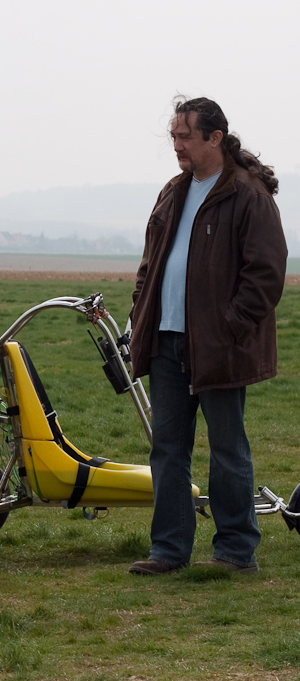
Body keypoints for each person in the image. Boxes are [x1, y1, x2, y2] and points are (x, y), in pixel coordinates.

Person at [128, 97, 287, 576]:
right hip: (167, 340)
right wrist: (141, 311)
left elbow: (266, 274)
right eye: (173, 137)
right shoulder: (173, 191)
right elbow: (150, 264)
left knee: (227, 448)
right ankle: (168, 551)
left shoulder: (248, 194)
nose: (177, 146)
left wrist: (230, 327)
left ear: (214, 138)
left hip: (219, 347)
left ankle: (236, 552)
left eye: (185, 137)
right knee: (167, 449)